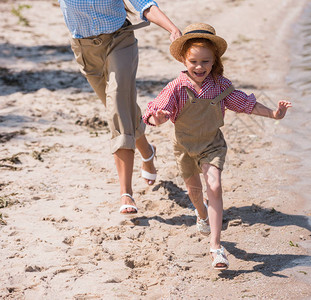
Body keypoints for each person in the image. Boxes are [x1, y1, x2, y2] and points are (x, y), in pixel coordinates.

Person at [142, 23, 292, 270]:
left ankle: (215, 246)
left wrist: (275, 114)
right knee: (195, 192)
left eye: (205, 61)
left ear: (214, 61)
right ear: (183, 59)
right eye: (193, 61)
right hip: (184, 146)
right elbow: (158, 112)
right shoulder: (176, 87)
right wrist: (157, 118)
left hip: (212, 145)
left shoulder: (221, 86)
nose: (199, 67)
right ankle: (200, 213)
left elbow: (246, 104)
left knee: (215, 185)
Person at [57, 1, 182, 214]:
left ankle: (126, 192)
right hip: (85, 51)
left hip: (120, 41)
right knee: (121, 108)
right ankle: (147, 152)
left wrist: (173, 29)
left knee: (117, 103)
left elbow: (143, 4)